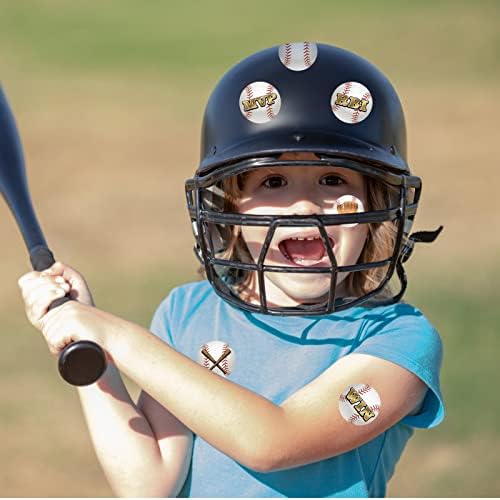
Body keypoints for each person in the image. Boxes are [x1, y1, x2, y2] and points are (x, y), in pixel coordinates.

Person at [17, 42, 445, 497]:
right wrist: (91, 348)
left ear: (378, 208)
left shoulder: (399, 339)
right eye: (273, 181)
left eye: (333, 179)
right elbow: (148, 484)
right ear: (231, 207)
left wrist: (116, 336)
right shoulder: (188, 310)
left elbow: (273, 442)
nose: (303, 206)